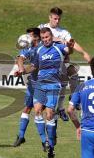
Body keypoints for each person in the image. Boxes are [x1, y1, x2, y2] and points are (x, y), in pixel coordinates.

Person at [23, 27, 74, 158]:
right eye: (43, 38)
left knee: (50, 115)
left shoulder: (58, 47)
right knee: (37, 111)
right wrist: (22, 71)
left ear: (51, 37)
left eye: (47, 37)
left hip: (53, 85)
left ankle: (51, 146)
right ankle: (44, 141)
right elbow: (34, 66)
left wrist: (69, 46)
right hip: (40, 84)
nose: (45, 40)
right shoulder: (39, 50)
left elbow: (69, 51)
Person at [38, 7, 91, 121]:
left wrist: (83, 53)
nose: (57, 21)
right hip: (46, 65)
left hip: (60, 64)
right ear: (50, 17)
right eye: (55, 19)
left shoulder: (64, 32)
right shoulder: (42, 28)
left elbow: (72, 43)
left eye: (59, 19)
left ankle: (73, 99)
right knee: (61, 85)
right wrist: (58, 40)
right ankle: (61, 108)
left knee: (73, 75)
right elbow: (36, 39)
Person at [13, 27, 49, 151]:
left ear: (36, 37)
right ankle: (21, 136)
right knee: (27, 108)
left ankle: (45, 141)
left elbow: (34, 67)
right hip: (32, 84)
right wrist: (21, 67)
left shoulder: (42, 49)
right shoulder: (28, 47)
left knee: (38, 111)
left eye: (30, 36)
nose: (27, 38)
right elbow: (20, 58)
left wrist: (23, 71)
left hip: (42, 84)